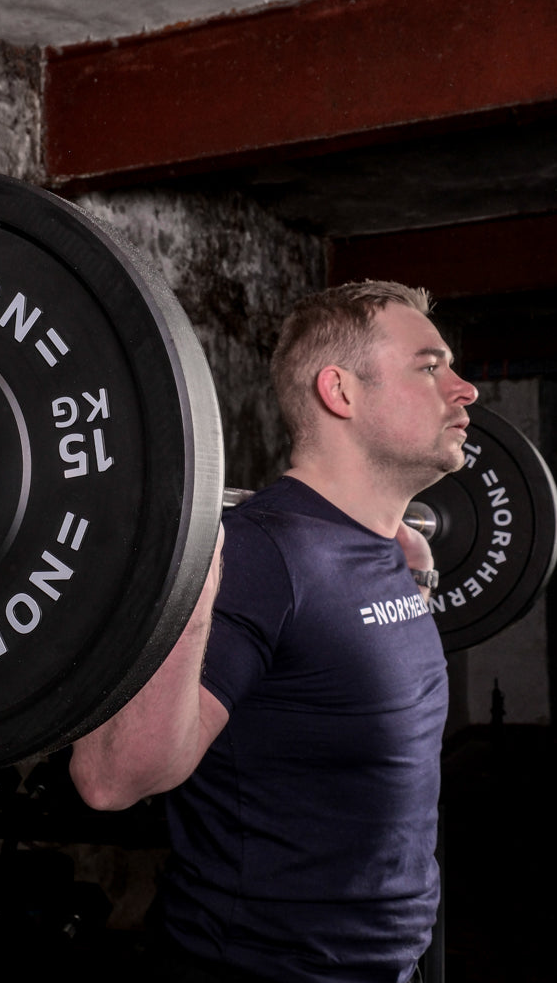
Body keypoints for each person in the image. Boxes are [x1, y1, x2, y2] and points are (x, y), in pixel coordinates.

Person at [69, 281, 480, 983]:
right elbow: (110, 779)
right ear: (340, 392)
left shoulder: (389, 547)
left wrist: (415, 572)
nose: (464, 389)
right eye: (429, 365)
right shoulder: (260, 557)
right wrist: (189, 581)